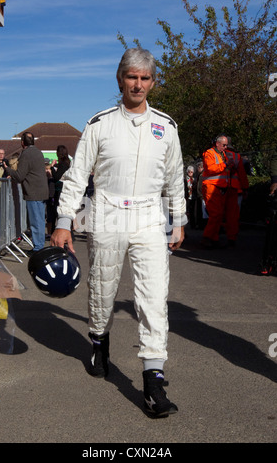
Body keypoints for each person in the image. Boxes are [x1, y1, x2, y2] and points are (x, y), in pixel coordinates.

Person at [51, 48, 187, 417]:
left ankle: (153, 378)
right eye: (132, 77)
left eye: (145, 78)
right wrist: (64, 221)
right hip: (108, 213)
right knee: (103, 287)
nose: (138, 84)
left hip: (149, 216)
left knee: (153, 298)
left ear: (153, 82)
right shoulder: (100, 124)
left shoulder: (166, 127)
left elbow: (175, 178)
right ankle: (99, 340)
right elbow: (77, 175)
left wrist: (178, 221)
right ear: (119, 79)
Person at [4, 132, 49, 254]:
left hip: (33, 191)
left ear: (22, 142)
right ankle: (39, 245)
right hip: (41, 191)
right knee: (39, 220)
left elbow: (19, 176)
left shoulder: (26, 154)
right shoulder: (38, 152)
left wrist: (7, 169)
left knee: (35, 222)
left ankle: (38, 248)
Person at [201, 134, 237, 248]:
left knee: (219, 214)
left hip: (219, 188)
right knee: (216, 214)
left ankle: (213, 238)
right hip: (211, 187)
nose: (226, 147)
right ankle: (207, 238)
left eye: (226, 145)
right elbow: (211, 168)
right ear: (217, 144)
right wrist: (225, 165)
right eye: (224, 145)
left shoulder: (223, 154)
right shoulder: (209, 153)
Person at [224, 137, 249, 246]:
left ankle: (213, 237)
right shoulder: (236, 157)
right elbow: (242, 176)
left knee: (217, 213)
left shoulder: (217, 155)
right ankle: (232, 237)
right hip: (234, 189)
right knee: (233, 215)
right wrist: (245, 189)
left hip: (219, 188)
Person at [48, 145, 71, 233]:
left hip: (60, 190)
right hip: (64, 190)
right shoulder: (67, 164)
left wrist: (52, 168)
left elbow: (57, 177)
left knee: (57, 212)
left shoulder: (63, 165)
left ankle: (58, 231)